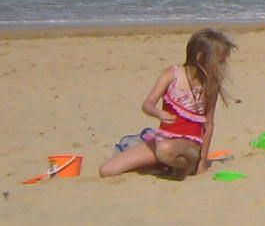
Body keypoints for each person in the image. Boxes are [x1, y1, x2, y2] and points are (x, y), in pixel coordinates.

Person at [99, 29, 237, 179]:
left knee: (165, 150)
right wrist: (158, 113)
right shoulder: (172, 74)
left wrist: (203, 159)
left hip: (189, 144)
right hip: (163, 139)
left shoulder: (210, 86)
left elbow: (208, 124)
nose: (222, 66)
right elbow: (148, 104)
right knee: (107, 170)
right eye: (219, 61)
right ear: (200, 58)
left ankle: (182, 165)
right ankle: (164, 163)